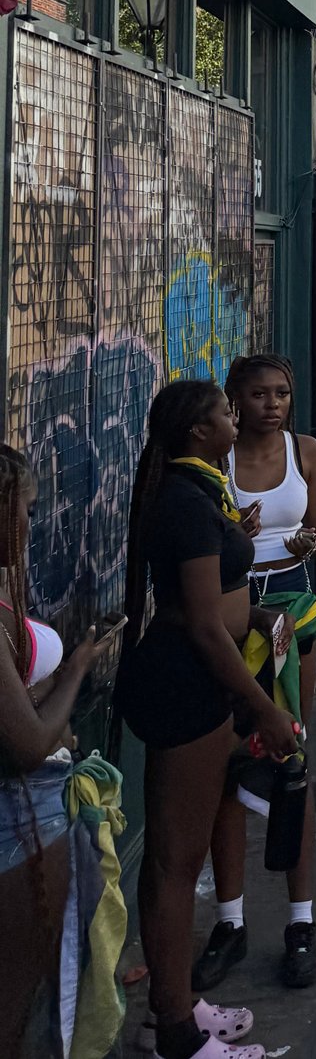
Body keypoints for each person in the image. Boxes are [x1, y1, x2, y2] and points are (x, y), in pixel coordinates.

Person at [116, 383, 300, 1059]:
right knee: (175, 860)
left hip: (200, 683)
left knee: (175, 853)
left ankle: (174, 1004)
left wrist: (257, 616)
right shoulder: (188, 504)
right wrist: (263, 708)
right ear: (200, 431)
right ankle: (176, 1033)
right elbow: (199, 620)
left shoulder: (200, 497)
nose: (236, 418)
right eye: (226, 410)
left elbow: (217, 602)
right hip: (186, 684)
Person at [201, 356, 316, 992]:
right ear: (234, 400)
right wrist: (235, 536)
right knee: (225, 766)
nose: (272, 404)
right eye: (258, 394)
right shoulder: (215, 462)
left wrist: (310, 544)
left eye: (281, 392)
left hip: (293, 608)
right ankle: (230, 920)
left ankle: (301, 921)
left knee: (292, 760)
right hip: (231, 612)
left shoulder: (304, 450)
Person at [1, 446, 125, 1059]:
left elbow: (15, 705)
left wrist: (58, 677)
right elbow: (25, 742)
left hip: (28, 818)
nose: (29, 525)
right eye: (23, 511)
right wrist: (75, 672)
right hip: (19, 824)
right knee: (23, 1007)